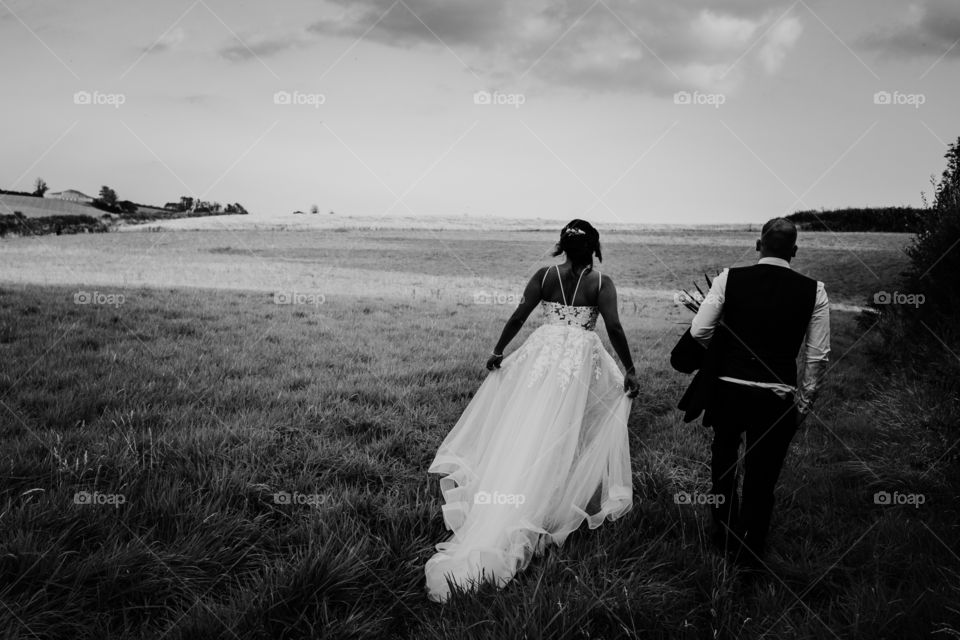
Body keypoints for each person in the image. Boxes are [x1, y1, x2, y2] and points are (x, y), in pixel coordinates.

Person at [424, 219, 639, 603]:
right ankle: (546, 499)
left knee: (529, 424)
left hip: (542, 353)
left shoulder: (545, 275)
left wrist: (499, 350)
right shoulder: (601, 283)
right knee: (565, 428)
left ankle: (515, 493)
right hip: (578, 360)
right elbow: (615, 328)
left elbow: (521, 315)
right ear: (593, 247)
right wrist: (629, 369)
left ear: (562, 245)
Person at [686, 217, 830, 565]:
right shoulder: (815, 290)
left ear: (757, 245)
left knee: (723, 463)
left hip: (728, 390)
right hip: (776, 394)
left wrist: (729, 355)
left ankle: (723, 534)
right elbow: (817, 356)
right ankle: (751, 551)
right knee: (762, 477)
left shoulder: (729, 278)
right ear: (794, 251)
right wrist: (804, 403)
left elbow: (699, 331)